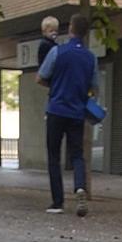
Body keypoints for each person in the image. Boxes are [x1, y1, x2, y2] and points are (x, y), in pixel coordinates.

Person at [38, 12, 96, 216]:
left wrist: (55, 85)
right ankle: (80, 186)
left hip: (56, 109)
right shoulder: (91, 58)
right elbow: (93, 87)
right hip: (77, 113)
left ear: (71, 28)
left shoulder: (57, 52)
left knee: (54, 155)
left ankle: (58, 202)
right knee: (77, 154)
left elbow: (41, 77)